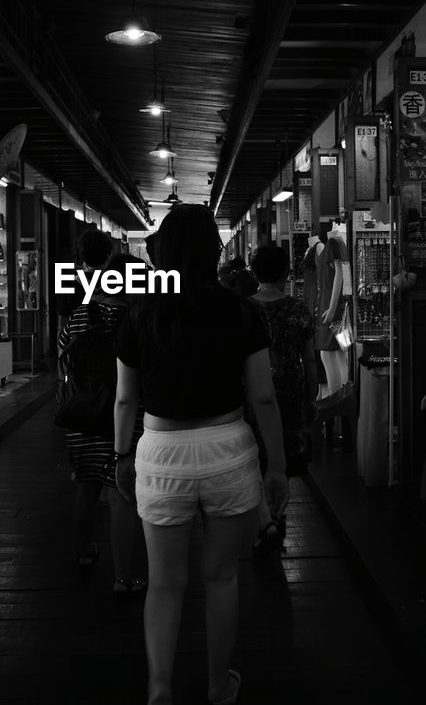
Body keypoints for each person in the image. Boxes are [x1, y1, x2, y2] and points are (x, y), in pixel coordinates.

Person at [114, 204, 288, 705]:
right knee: (221, 577)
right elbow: (263, 397)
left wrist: (123, 457)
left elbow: (125, 399)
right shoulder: (241, 310)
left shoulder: (141, 312)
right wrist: (276, 465)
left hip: (160, 451)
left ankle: (160, 689)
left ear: (162, 252)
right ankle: (217, 686)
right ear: (215, 251)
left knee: (164, 583)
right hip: (227, 449)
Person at [58, 252, 147, 593]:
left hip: (82, 412)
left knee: (86, 483)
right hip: (127, 415)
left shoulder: (81, 314)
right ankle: (124, 577)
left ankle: (83, 551)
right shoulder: (138, 316)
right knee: (121, 492)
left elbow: (64, 356)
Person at [248, 245, 316, 546]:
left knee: (255, 456)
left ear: (254, 273)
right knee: (282, 457)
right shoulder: (298, 309)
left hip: (252, 389)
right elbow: (310, 359)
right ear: (286, 272)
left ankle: (262, 520)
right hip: (290, 389)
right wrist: (311, 394)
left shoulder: (245, 308)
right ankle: (277, 515)